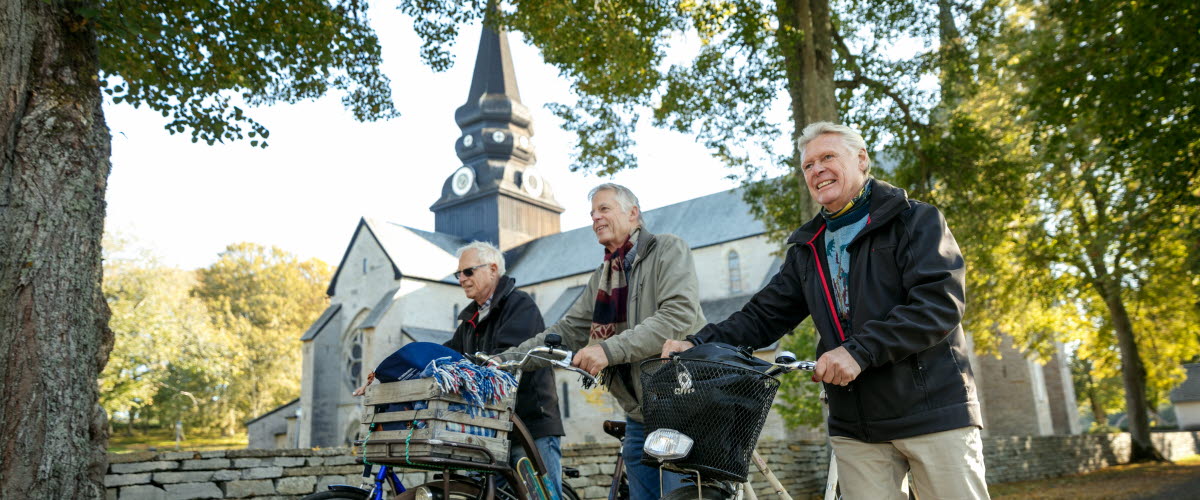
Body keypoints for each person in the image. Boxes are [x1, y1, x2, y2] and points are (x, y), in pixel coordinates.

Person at [662, 122, 990, 500]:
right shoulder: (808, 247)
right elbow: (763, 315)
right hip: (856, 425)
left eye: (828, 157)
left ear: (862, 160)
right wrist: (699, 343)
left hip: (932, 412)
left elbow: (938, 304)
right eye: (808, 165)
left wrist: (858, 351)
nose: (817, 170)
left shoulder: (915, 220)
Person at [510, 183, 706, 500]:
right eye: (592, 213)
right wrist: (503, 360)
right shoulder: (603, 276)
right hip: (638, 413)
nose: (595, 218)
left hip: (680, 405)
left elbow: (676, 316)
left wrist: (607, 349)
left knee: (678, 496)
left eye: (604, 209)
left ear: (633, 213)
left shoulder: (668, 249)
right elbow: (568, 330)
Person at [444, 241, 565, 498]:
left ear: (492, 269)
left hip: (529, 426)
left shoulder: (520, 305)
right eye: (459, 274)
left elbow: (504, 359)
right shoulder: (469, 321)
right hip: (491, 432)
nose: (462, 279)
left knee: (540, 496)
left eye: (468, 272)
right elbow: (449, 355)